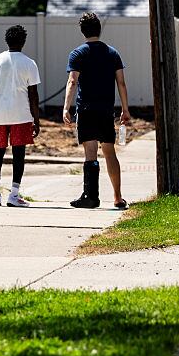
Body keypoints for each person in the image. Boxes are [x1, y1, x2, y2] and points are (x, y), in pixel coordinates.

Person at [62, 11, 131, 210]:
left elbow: (72, 81)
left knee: (90, 154)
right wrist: (125, 109)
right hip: (106, 110)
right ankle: (118, 197)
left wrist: (66, 107)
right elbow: (121, 83)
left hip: (86, 109)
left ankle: (90, 197)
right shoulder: (112, 53)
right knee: (110, 152)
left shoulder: (77, 53)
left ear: (82, 32)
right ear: (99, 30)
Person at [0, 25, 41, 207]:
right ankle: (14, 196)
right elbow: (33, 95)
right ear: (23, 41)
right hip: (21, 116)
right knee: (18, 155)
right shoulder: (29, 63)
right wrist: (36, 120)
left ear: (6, 40)